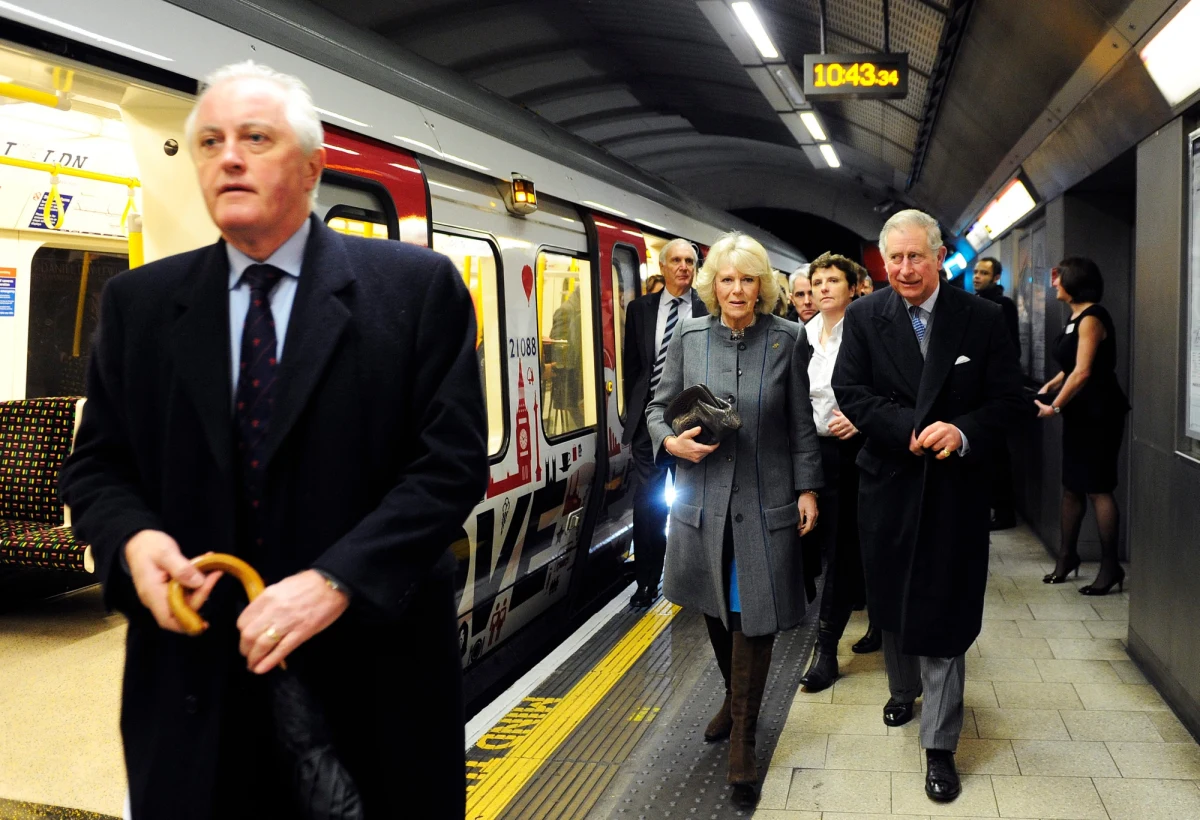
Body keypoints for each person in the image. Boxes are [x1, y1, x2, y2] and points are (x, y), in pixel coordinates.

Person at [59, 62, 487, 819]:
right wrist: (132, 540)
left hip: (369, 691)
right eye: (210, 141)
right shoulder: (139, 305)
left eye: (255, 138)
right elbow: (98, 466)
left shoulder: (416, 290)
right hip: (194, 702)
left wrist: (335, 582)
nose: (228, 157)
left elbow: (448, 468)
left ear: (314, 167)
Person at [833, 209, 1024, 804]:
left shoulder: (982, 317)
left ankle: (939, 746)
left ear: (940, 256)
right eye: (894, 258)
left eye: (916, 256)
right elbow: (851, 391)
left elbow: (1009, 401)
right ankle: (901, 687)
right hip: (889, 481)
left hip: (953, 488)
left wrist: (961, 432)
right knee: (891, 598)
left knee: (943, 609)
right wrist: (906, 429)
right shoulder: (865, 316)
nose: (905, 269)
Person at [647, 232, 823, 809]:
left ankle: (743, 738)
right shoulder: (689, 336)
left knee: (755, 615)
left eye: (748, 279)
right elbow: (657, 408)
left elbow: (800, 421)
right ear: (712, 285)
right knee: (717, 608)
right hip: (703, 499)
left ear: (763, 286)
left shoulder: (788, 338)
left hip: (766, 499)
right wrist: (671, 443)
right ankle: (732, 695)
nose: (738, 290)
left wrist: (807, 489)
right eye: (727, 279)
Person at [796, 253, 877, 693]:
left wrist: (862, 418)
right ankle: (872, 619)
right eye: (817, 282)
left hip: (856, 452)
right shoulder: (803, 335)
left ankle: (826, 650)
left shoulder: (866, 331)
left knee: (845, 546)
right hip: (812, 451)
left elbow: (890, 388)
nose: (823, 288)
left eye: (833, 280)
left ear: (853, 288)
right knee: (824, 546)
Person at [1036, 257, 1130, 594]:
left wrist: (1055, 406)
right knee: (1072, 485)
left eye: (1058, 277)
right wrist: (1053, 384)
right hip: (1080, 411)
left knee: (1098, 487)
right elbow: (1072, 365)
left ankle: (1110, 567)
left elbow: (1084, 371)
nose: (1054, 283)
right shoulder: (1075, 317)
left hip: (1099, 412)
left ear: (1074, 281)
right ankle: (1067, 556)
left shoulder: (1092, 317)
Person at [622, 238, 706, 608]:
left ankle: (695, 580)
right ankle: (646, 582)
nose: (684, 267)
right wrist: (639, 413)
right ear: (662, 266)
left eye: (690, 261)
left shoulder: (707, 308)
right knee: (648, 504)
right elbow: (632, 367)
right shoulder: (640, 309)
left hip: (696, 423)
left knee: (694, 506)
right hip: (649, 424)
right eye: (677, 260)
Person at [973, 256, 1020, 530]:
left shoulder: (1003, 305)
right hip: (981, 390)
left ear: (996, 277)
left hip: (995, 390)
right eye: (976, 272)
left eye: (983, 273)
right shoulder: (975, 302)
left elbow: (1010, 349)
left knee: (997, 454)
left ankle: (1004, 512)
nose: (977, 276)